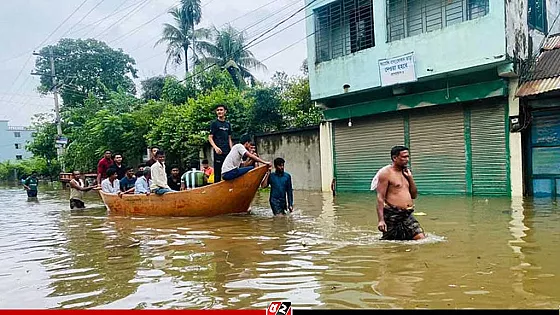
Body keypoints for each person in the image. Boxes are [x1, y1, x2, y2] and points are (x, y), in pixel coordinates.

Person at [376, 146, 425, 241]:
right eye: (404, 157)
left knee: (421, 239)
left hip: (407, 214)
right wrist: (381, 220)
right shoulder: (385, 173)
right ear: (395, 158)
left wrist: (410, 178)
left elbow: (414, 195)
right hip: (392, 215)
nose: (407, 160)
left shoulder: (406, 172)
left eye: (408, 157)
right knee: (390, 244)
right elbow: (380, 197)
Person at [208, 104, 233, 183]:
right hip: (218, 152)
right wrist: (215, 147)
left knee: (229, 171)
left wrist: (232, 150)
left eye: (221, 110)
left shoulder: (228, 124)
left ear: (225, 111)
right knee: (218, 174)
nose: (219, 111)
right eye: (218, 110)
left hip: (227, 152)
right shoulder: (214, 124)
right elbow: (210, 137)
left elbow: (229, 138)